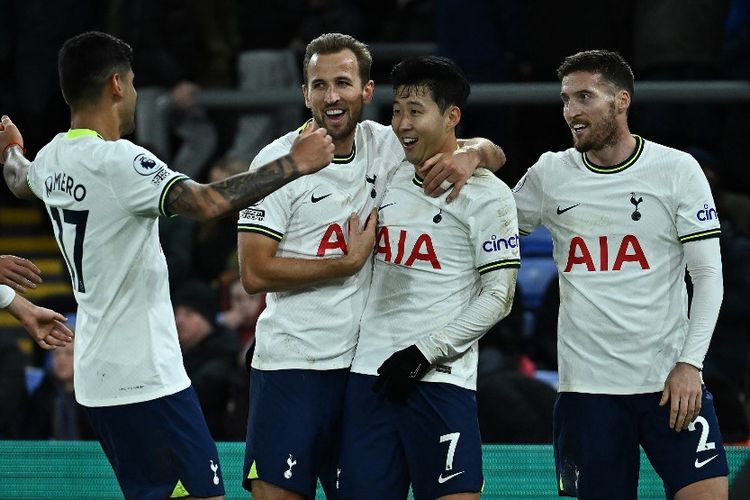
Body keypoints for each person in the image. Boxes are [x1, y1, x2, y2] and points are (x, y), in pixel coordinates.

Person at [0, 30, 333, 500]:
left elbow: (18, 178)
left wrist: (11, 150)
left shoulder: (53, 157)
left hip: (98, 377)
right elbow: (205, 201)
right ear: (116, 85)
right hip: (144, 377)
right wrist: (292, 164)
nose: (135, 94)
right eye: (133, 83)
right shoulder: (119, 161)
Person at [237, 33, 505, 499]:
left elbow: (478, 146)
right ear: (305, 94)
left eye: (342, 82)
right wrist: (347, 262)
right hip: (294, 364)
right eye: (318, 85)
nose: (330, 96)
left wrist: (474, 153)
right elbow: (254, 273)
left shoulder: (386, 146)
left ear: (365, 90)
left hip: (362, 372)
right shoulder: (278, 162)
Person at [512, 49, 728, 499]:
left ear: (621, 101)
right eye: (566, 100)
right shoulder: (551, 173)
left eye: (584, 97)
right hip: (587, 391)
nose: (571, 111)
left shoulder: (676, 170)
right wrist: (478, 152)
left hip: (670, 380)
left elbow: (708, 276)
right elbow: (489, 224)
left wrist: (691, 363)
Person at [337, 55, 520, 499]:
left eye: (415, 111)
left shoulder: (488, 195)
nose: (402, 123)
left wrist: (425, 352)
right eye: (397, 111)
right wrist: (478, 149)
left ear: (451, 116)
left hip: (441, 380)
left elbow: (499, 297)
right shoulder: (387, 173)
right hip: (369, 376)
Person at [173, 280, 240, 441]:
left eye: (189, 313)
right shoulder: (173, 352)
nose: (179, 320)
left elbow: (204, 386)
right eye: (177, 313)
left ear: (207, 318)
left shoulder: (225, 351)